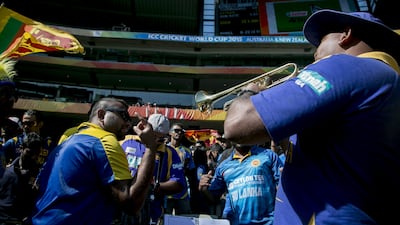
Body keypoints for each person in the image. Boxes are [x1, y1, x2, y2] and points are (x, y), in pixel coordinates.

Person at [223, 9, 400, 225]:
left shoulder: (344, 65)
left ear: (346, 34)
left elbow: (236, 126)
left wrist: (248, 93)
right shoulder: (388, 81)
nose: (315, 53)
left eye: (322, 41)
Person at [31, 97, 158, 225]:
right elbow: (131, 203)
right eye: (123, 115)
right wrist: (150, 147)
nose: (128, 123)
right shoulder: (105, 141)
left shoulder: (69, 136)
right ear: (101, 115)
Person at [119, 113, 186, 225]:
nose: (155, 140)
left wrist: (154, 187)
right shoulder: (125, 142)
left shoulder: (169, 152)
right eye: (152, 135)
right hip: (120, 209)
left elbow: (178, 183)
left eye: (160, 138)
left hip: (151, 212)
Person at [199, 144, 281, 225]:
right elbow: (213, 198)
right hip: (235, 222)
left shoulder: (268, 155)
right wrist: (204, 189)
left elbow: (282, 189)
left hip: (268, 222)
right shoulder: (223, 166)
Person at [0, 132, 42, 225]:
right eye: (30, 152)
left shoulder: (39, 174)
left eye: (37, 153)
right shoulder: (6, 170)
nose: (34, 157)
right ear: (21, 148)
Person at [165, 122, 195, 216]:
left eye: (181, 131)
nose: (179, 133)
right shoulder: (164, 149)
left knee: (184, 219)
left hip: (182, 192)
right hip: (166, 191)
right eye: (176, 130)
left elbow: (190, 170)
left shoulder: (187, 151)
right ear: (170, 132)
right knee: (164, 219)